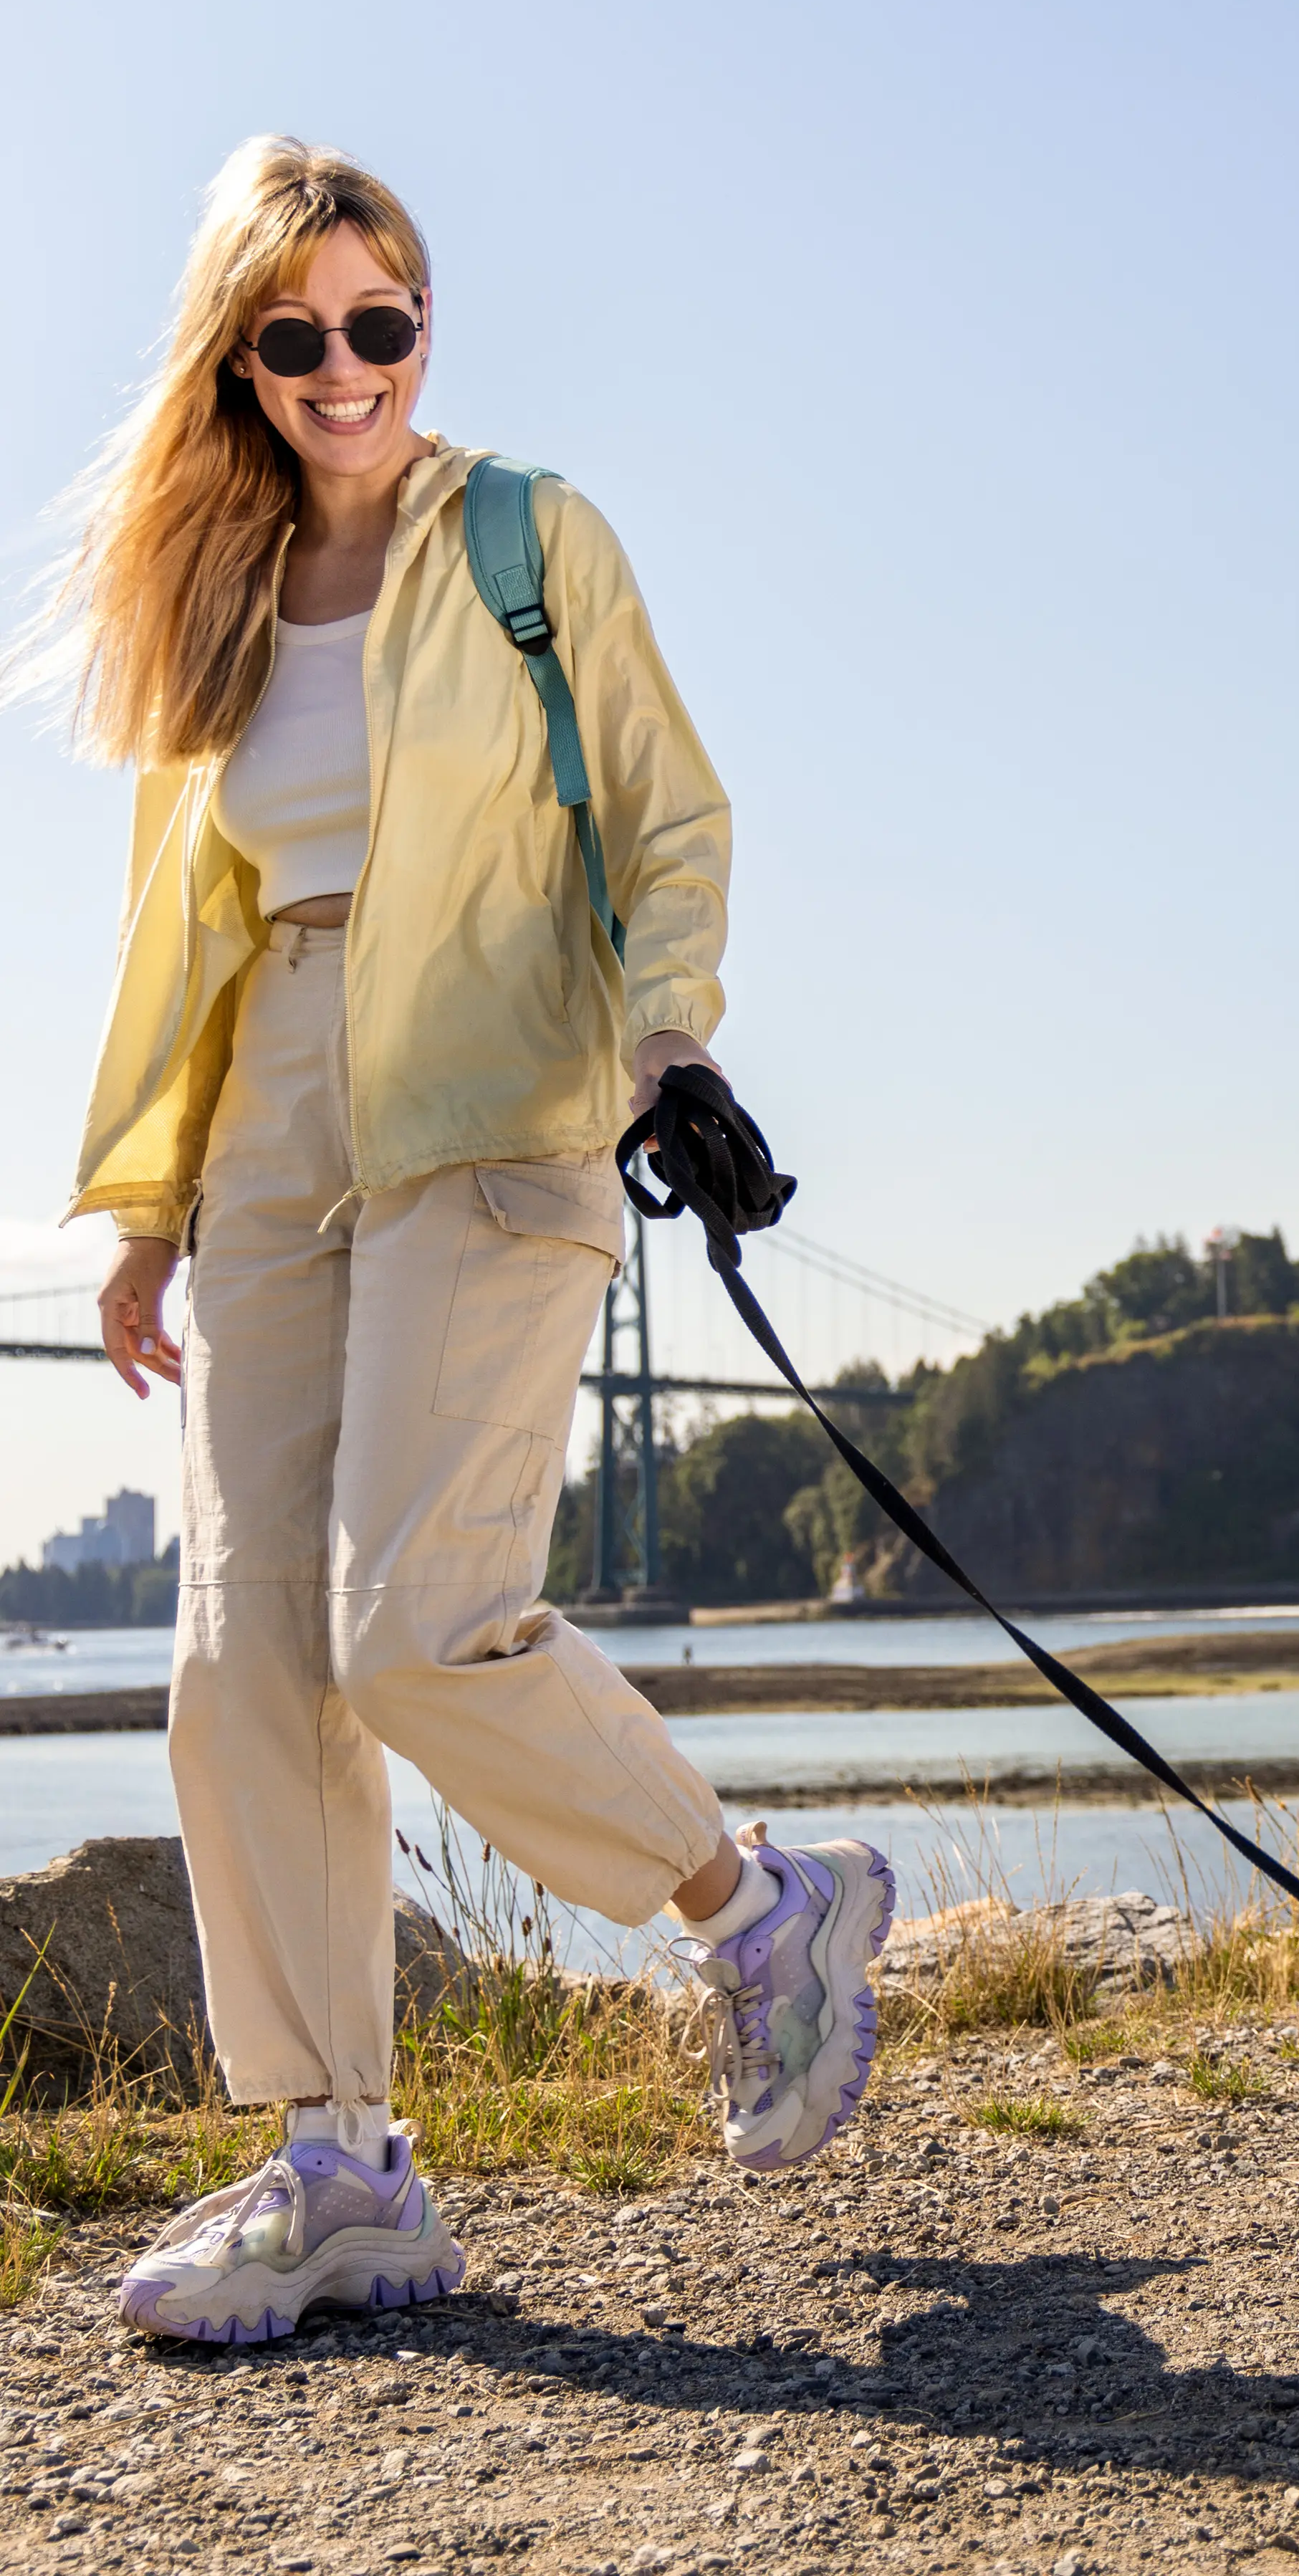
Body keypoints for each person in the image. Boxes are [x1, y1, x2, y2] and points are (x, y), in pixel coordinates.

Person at [34, 137, 895, 2345]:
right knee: (241, 1670)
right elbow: (177, 930)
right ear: (245, 357)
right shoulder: (214, 605)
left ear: (427, 324)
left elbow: (668, 814)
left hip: (499, 1101)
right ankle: (338, 2166)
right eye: (297, 333)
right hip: (265, 1141)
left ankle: (760, 1906)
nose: (346, 368)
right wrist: (143, 1202)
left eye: (381, 323)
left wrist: (671, 1049)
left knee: (416, 1629)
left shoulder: (527, 540)